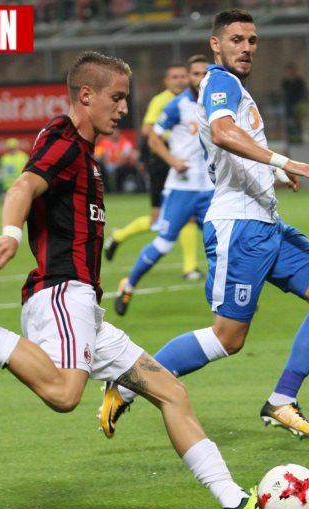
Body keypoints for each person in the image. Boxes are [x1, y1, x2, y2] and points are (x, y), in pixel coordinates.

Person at [0, 51, 263, 509]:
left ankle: (234, 500)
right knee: (65, 394)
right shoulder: (63, 139)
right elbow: (22, 187)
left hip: (86, 309)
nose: (124, 109)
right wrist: (10, 234)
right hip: (60, 293)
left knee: (171, 392)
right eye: (117, 97)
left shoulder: (85, 155)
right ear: (86, 95)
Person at [101, 9, 309, 441]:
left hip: (267, 221)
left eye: (252, 40)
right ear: (216, 45)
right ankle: (127, 384)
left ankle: (281, 401)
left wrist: (272, 173)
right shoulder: (220, 82)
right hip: (239, 226)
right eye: (237, 39)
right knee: (227, 338)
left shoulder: (236, 88)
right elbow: (221, 133)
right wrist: (285, 161)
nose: (247, 47)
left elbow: (229, 147)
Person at [114, 55, 215, 316]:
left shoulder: (217, 103)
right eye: (196, 74)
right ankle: (129, 285)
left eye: (205, 73)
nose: (200, 78)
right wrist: (173, 161)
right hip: (182, 188)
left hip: (210, 189)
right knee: (164, 244)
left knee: (222, 244)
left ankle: (228, 300)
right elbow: (153, 138)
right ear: (189, 77)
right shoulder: (176, 106)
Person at [103, 63, 202, 281]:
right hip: (162, 164)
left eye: (182, 76)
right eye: (174, 77)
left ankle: (190, 268)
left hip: (184, 166)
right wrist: (174, 135)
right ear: (166, 81)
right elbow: (148, 130)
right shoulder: (161, 101)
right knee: (157, 220)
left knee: (189, 216)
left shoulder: (195, 101)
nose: (179, 80)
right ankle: (119, 236)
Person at [94, 128, 138, 193]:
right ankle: (106, 188)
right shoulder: (104, 143)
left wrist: (117, 164)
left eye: (116, 133)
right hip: (107, 165)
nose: (114, 135)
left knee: (122, 168)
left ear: (119, 134)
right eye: (113, 133)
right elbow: (97, 154)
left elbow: (126, 157)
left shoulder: (125, 143)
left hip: (121, 165)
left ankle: (119, 188)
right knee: (99, 167)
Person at [281, 63, 307, 144]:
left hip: (297, 105)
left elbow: (302, 93)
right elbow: (284, 94)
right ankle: (290, 140)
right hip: (288, 105)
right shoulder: (285, 82)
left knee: (297, 123)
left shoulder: (299, 81)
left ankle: (299, 139)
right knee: (289, 123)